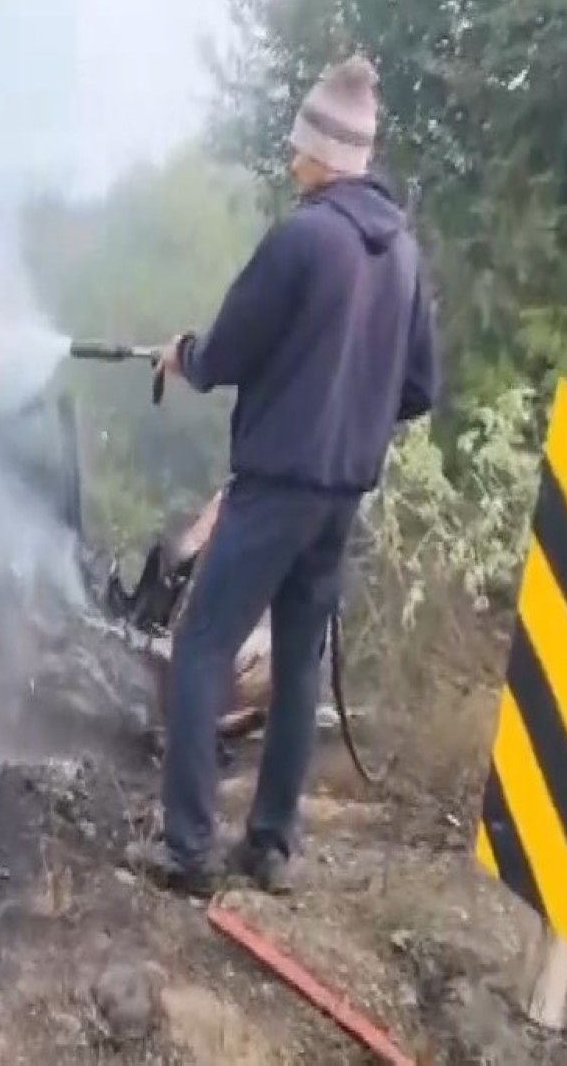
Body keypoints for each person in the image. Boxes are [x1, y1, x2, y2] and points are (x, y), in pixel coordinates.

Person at [125, 54, 439, 896]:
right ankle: (270, 847)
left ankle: (188, 854)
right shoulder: (401, 255)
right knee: (300, 662)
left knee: (200, 649)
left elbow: (224, 353)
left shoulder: (303, 238)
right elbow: (418, 388)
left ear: (326, 153)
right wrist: (351, 415)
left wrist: (179, 355)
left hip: (277, 488)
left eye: (299, 144)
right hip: (342, 495)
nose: (290, 156)